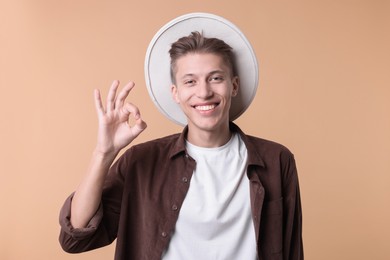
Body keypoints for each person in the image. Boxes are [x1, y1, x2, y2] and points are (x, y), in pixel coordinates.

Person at [59, 30, 303, 259]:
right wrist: (104, 153)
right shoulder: (140, 161)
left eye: (215, 78)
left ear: (234, 85)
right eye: (190, 82)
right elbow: (75, 238)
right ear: (175, 93)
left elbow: (292, 251)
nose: (204, 92)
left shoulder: (276, 160)